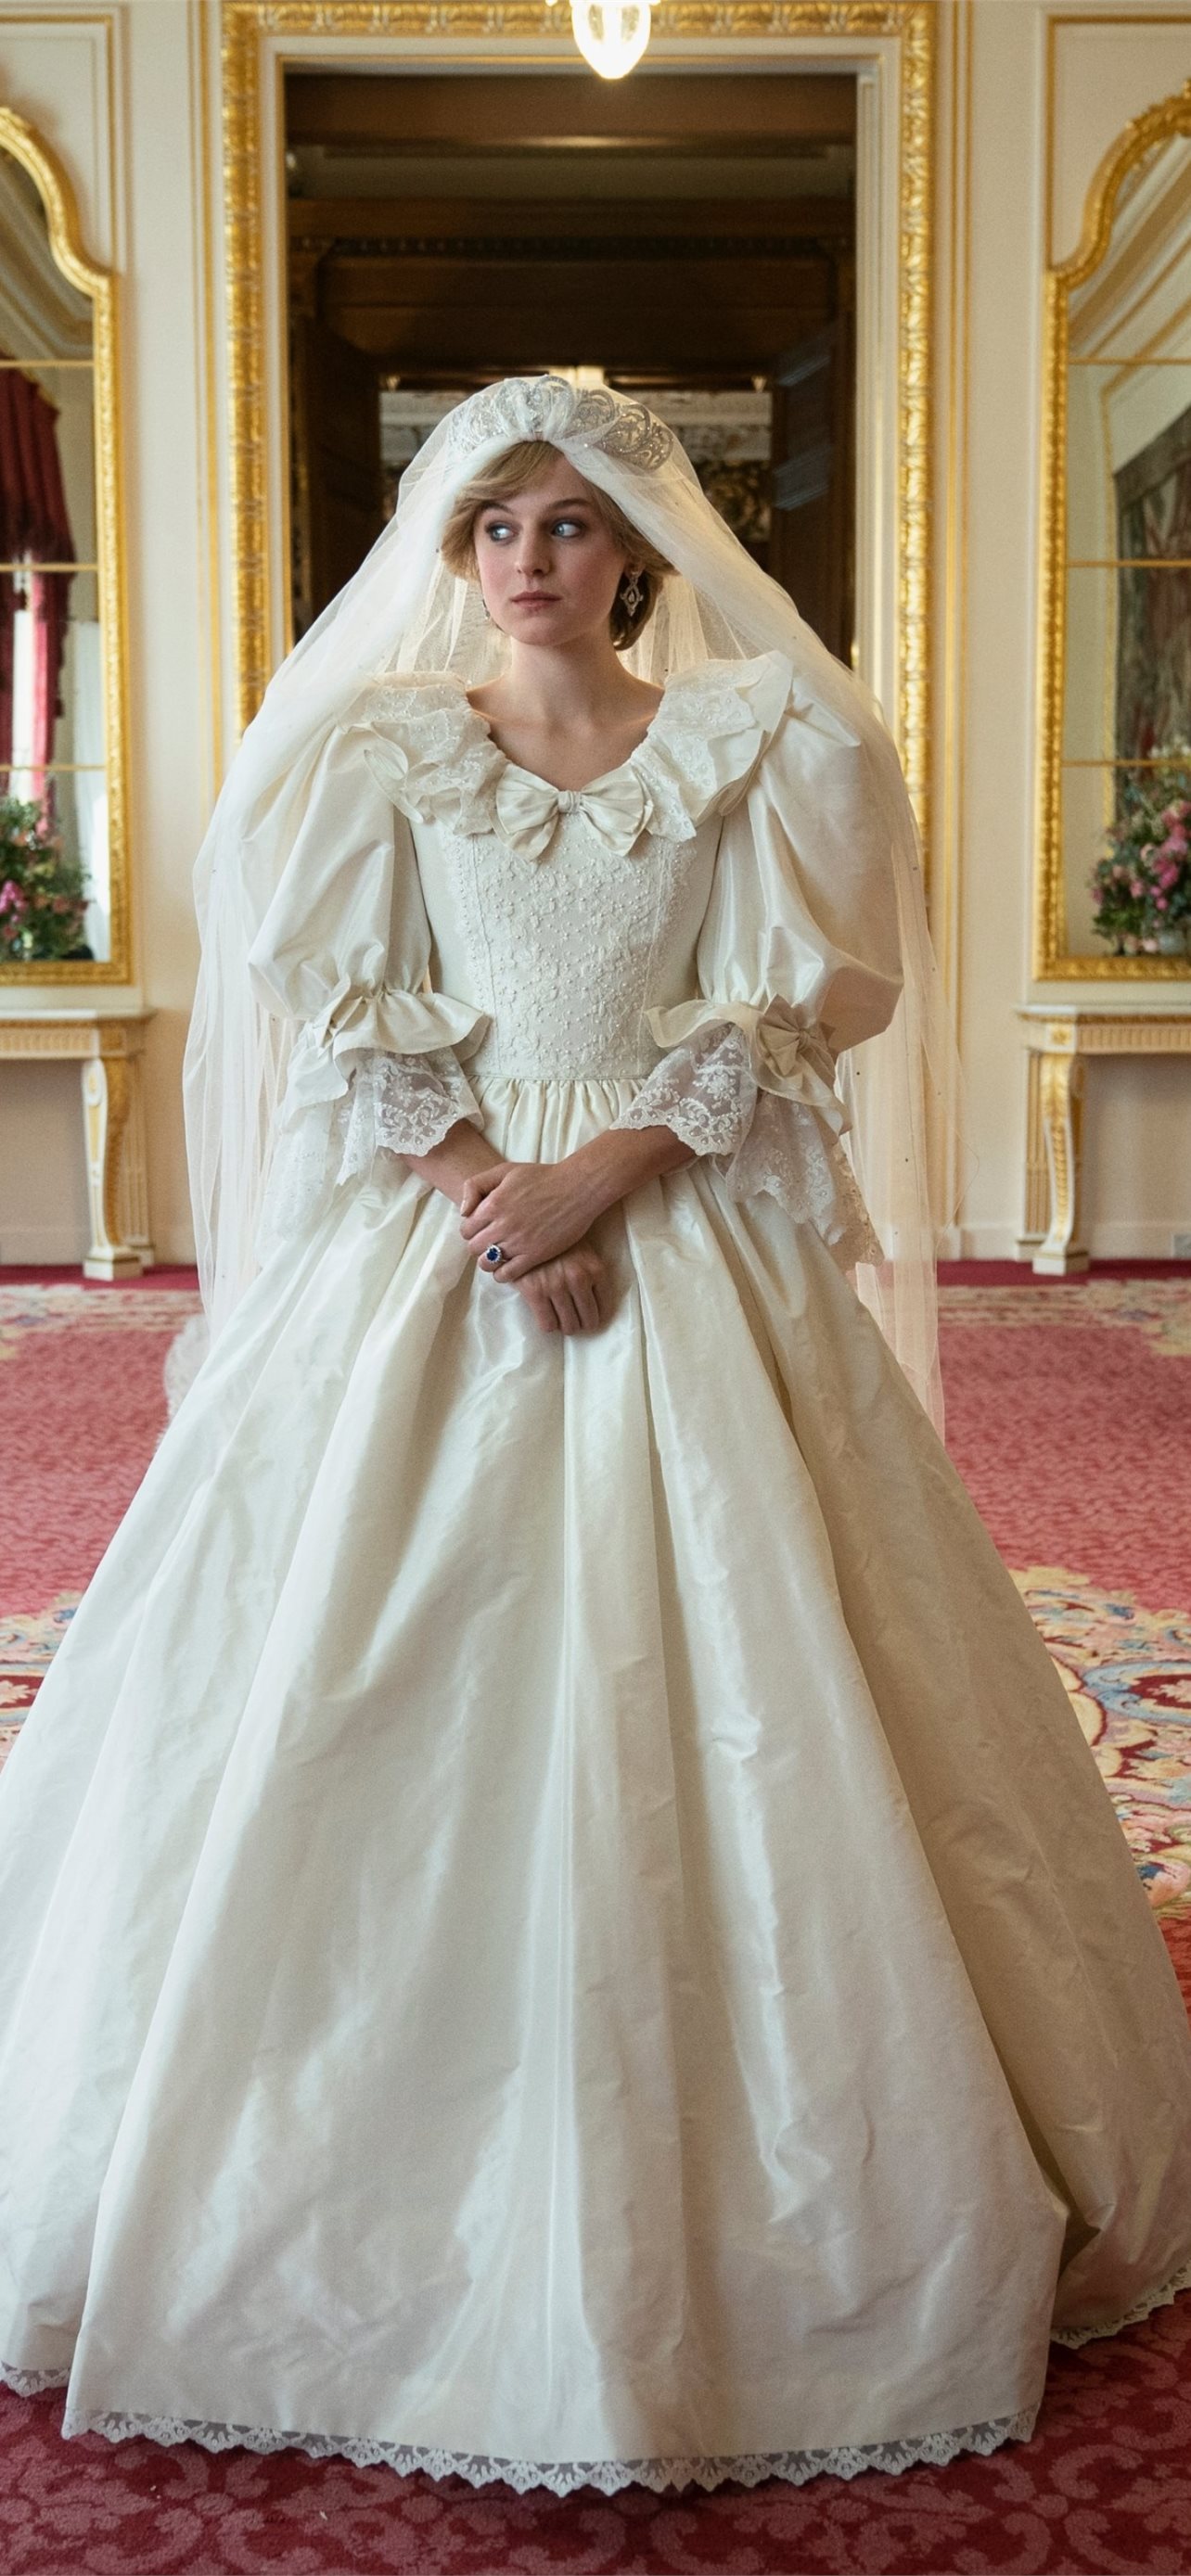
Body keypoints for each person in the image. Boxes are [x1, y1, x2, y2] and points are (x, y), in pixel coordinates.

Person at [0, 376, 1188, 2501]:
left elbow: (803, 1003)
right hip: (442, 1234)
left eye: (568, 522)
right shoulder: (372, 751)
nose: (531, 558)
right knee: (349, 1667)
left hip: (674, 1216)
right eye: (492, 526)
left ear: (646, 544)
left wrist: (604, 1176)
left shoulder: (763, 743)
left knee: (772, 1671)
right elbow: (336, 1006)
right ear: (451, 555)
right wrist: (486, 1193)